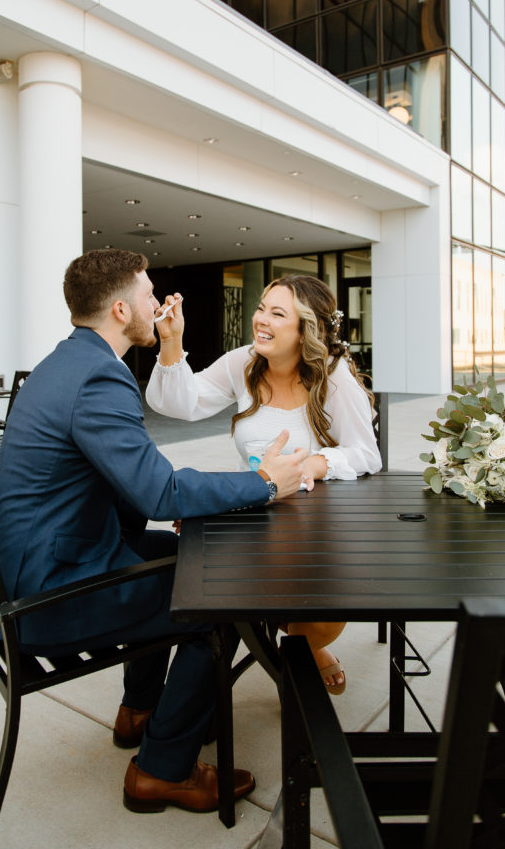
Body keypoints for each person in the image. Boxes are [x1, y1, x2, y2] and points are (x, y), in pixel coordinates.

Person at [0, 249, 310, 815]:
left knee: (184, 557)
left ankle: (140, 710)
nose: (160, 304)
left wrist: (184, 500)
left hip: (21, 571)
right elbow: (160, 493)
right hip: (42, 596)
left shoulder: (65, 363)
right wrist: (266, 483)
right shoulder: (99, 377)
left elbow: (135, 485)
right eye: (150, 294)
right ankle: (161, 770)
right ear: (123, 308)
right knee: (222, 596)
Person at [146, 274, 382, 694]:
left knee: (327, 614)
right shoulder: (244, 362)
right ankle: (289, 653)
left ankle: (302, 646)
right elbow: (178, 403)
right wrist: (171, 340)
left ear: (307, 329)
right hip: (252, 510)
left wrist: (313, 464)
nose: (261, 320)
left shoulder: (334, 377)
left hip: (315, 523)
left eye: (277, 313)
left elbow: (366, 453)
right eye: (260, 308)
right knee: (207, 593)